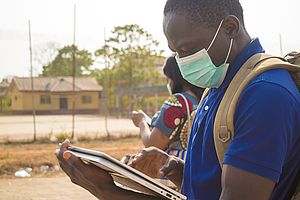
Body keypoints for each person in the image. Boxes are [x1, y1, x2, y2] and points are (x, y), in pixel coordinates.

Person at [56, 0, 300, 199]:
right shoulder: (222, 83)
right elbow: (217, 182)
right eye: (175, 52)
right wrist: (178, 170)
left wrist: (107, 191)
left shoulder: (265, 95)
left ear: (230, 28)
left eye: (187, 50)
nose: (182, 62)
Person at [131, 55, 203, 158]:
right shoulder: (203, 99)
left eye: (168, 78)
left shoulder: (177, 102)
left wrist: (142, 122)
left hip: (176, 169)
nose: (167, 82)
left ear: (175, 77)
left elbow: (152, 145)